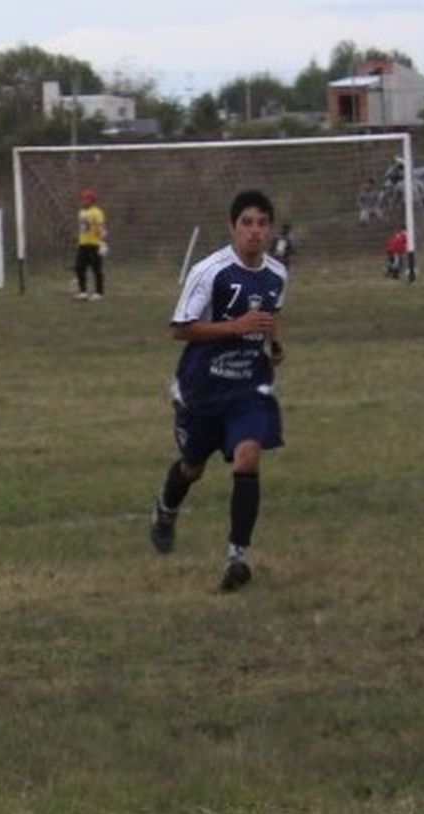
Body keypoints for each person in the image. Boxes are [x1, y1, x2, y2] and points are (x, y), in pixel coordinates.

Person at [148, 189, 288, 592]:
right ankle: (166, 507)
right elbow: (180, 328)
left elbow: (270, 313)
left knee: (248, 455)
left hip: (248, 383)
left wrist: (274, 344)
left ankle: (236, 557)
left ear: (270, 229)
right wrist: (235, 327)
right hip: (202, 387)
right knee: (193, 466)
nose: (255, 232)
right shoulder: (209, 272)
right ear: (232, 227)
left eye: (262, 223)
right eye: (247, 223)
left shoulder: (277, 273)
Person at [74, 188, 107, 300]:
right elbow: (82, 228)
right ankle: (83, 292)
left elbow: (101, 226)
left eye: (86, 199)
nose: (83, 201)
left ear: (92, 200)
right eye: (82, 199)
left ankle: (99, 293)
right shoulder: (81, 212)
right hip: (83, 244)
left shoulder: (97, 212)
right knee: (79, 267)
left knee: (96, 269)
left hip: (94, 244)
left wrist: (102, 242)